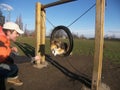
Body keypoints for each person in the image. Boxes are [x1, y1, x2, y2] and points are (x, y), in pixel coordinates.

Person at [0, 22, 40, 86]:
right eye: (16, 33)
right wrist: (33, 58)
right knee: (14, 68)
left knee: (14, 55)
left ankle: (11, 77)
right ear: (8, 32)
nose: (18, 35)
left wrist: (11, 48)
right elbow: (15, 59)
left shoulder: (3, 39)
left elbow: (5, 48)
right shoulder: (2, 46)